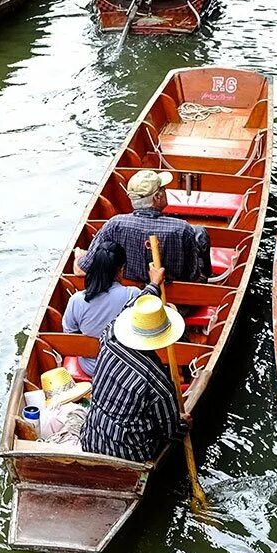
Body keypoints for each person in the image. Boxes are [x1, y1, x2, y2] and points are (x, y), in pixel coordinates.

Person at [79, 279, 188, 463]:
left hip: (91, 438)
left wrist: (153, 286)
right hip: (130, 456)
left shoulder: (109, 336)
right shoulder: (158, 381)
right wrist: (184, 424)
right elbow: (171, 431)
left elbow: (129, 307)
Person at [81, 169, 210, 284]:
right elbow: (193, 276)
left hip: (131, 297)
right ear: (157, 197)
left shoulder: (113, 225)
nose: (165, 191)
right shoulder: (182, 229)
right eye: (163, 189)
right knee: (199, 232)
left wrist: (78, 256)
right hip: (176, 300)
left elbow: (84, 267)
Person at [62, 240, 142, 379]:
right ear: (121, 269)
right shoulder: (133, 294)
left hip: (92, 367)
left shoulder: (76, 300)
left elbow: (71, 336)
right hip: (127, 367)